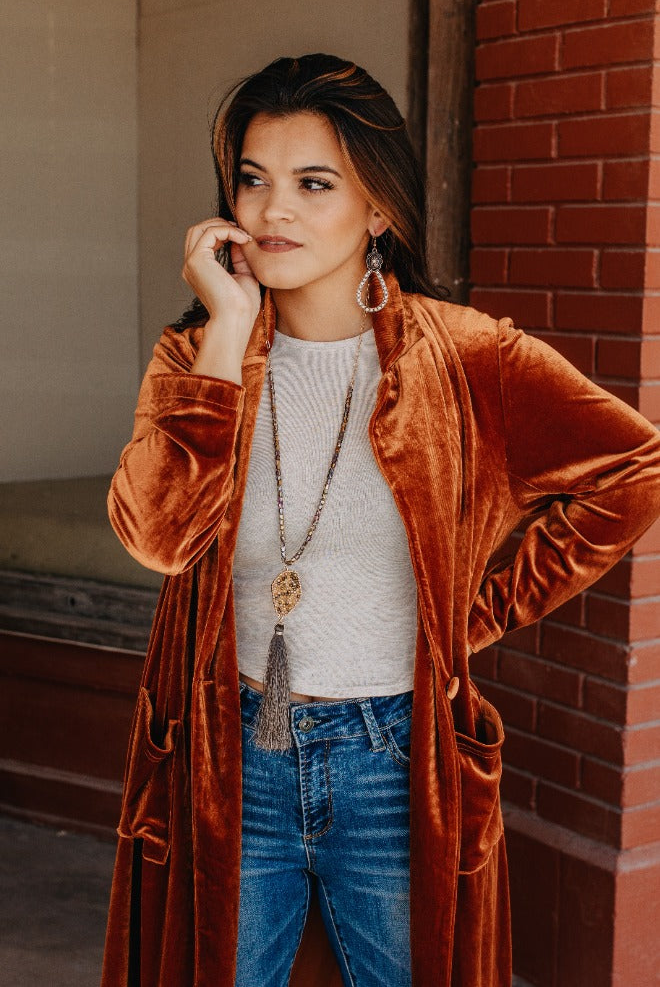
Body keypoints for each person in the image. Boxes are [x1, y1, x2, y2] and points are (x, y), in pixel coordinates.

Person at [101, 53, 660, 987]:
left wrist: (470, 615)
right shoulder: (197, 357)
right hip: (231, 750)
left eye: (313, 184)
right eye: (253, 179)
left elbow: (633, 467)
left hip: (396, 762)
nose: (273, 210)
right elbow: (157, 538)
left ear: (380, 208)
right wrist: (229, 331)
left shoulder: (470, 359)